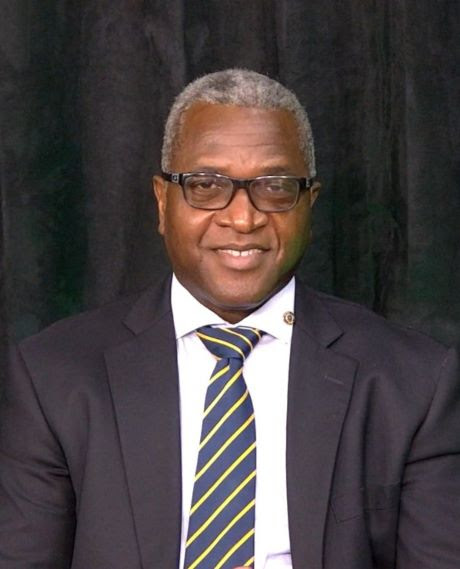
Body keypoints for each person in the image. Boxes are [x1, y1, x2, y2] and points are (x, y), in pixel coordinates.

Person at [0, 69, 459, 569]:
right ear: (162, 202)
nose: (242, 218)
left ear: (309, 204)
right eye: (205, 185)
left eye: (275, 187)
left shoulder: (415, 382)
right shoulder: (53, 375)